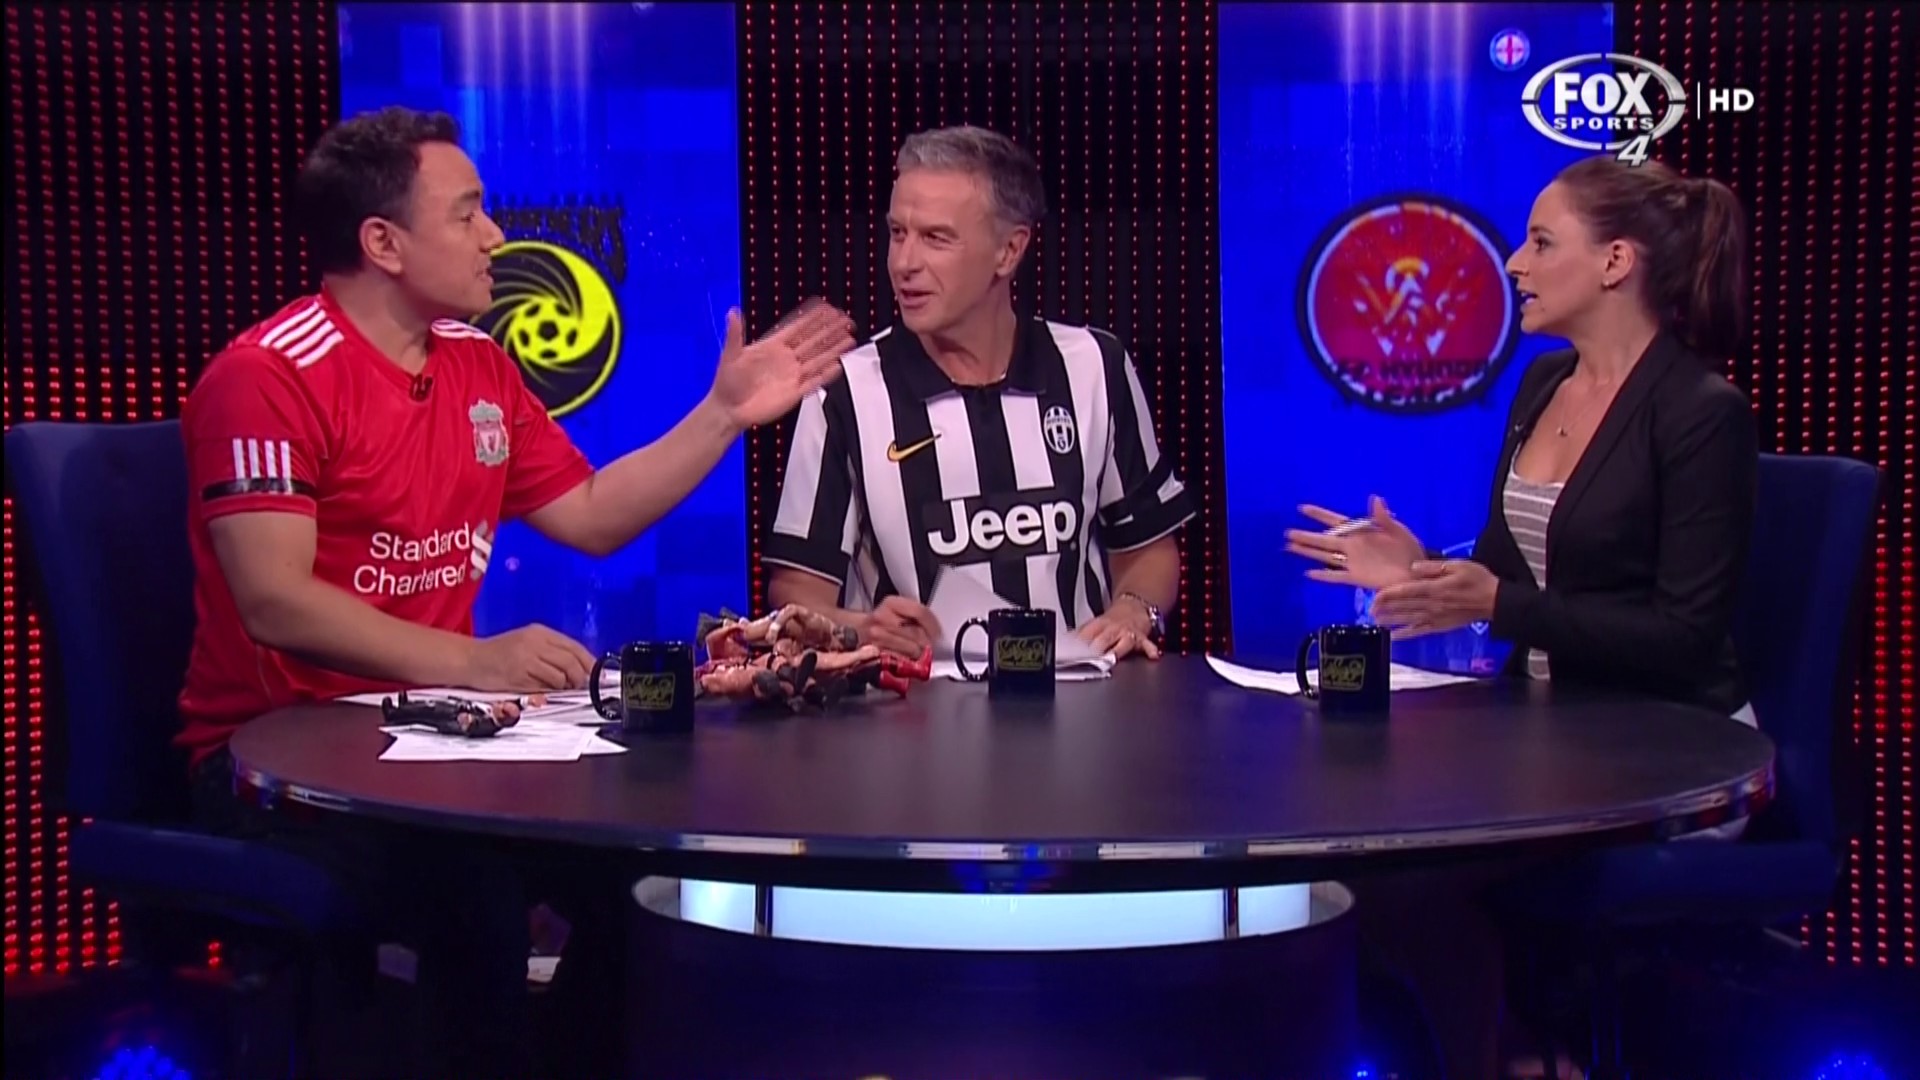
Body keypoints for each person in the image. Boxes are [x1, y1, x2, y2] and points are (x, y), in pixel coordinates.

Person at [178, 105, 853, 1077]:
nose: (495, 234)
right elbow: (274, 600)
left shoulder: (477, 362)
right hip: (279, 763)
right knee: (477, 895)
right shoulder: (268, 375)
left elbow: (592, 513)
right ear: (383, 242)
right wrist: (475, 660)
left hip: (441, 744)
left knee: (649, 872)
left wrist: (722, 415)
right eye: (467, 213)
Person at [1286, 155, 1756, 1080]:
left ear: (1616, 262)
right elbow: (1516, 573)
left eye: (1542, 242)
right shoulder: (1544, 386)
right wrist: (1422, 568)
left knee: (1410, 877)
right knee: (1364, 844)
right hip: (1546, 736)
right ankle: (1514, 1052)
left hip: (1668, 753)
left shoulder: (1702, 414)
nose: (1514, 262)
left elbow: (1683, 637)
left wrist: (1498, 604)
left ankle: (1514, 1056)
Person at [765, 125, 1194, 661]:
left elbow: (1148, 550)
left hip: (1082, 697)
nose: (904, 263)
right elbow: (797, 593)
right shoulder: (844, 391)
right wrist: (863, 630)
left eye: (936, 238)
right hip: (911, 703)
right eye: (898, 233)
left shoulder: (1094, 366)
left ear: (1009, 251)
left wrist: (1135, 609)